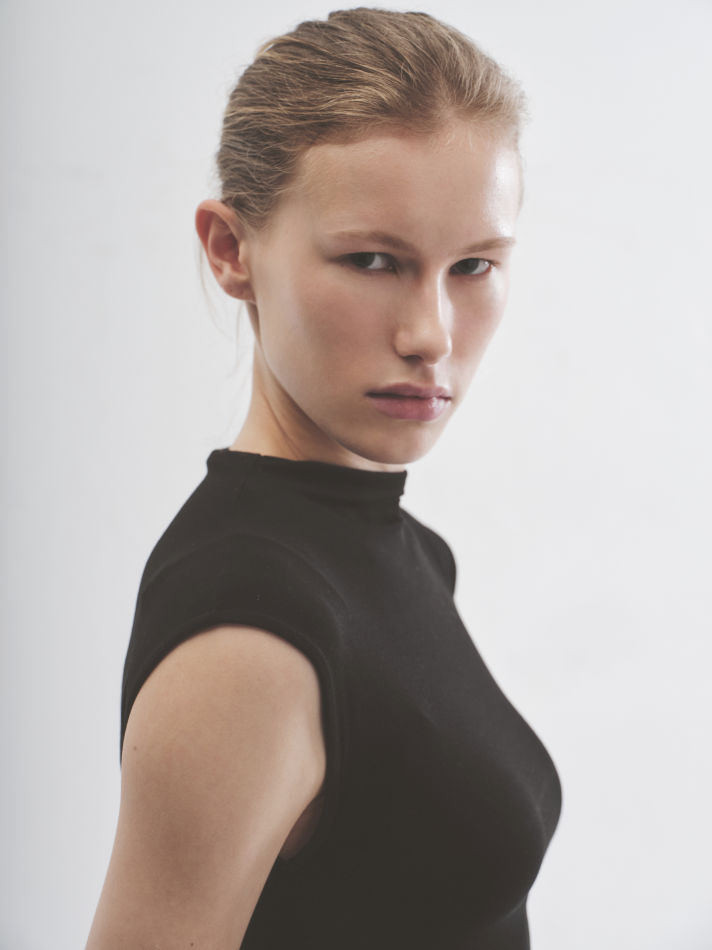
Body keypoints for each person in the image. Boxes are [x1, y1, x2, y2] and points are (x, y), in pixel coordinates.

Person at [86, 8, 561, 949]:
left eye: (473, 265)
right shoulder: (251, 634)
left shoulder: (405, 551)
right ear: (231, 249)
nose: (430, 334)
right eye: (372, 260)